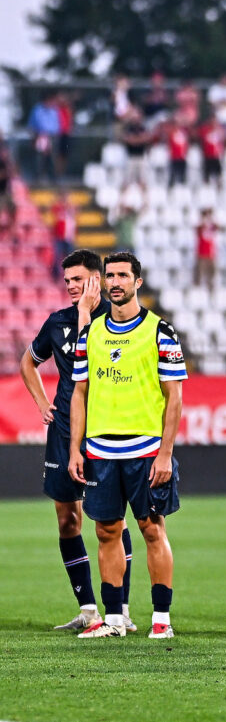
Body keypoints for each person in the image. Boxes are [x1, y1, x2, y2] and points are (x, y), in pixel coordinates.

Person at [66, 252, 185, 639]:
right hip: (100, 451)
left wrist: (165, 452)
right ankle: (115, 620)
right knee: (106, 532)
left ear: (138, 281)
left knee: (152, 530)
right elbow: (79, 393)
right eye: (110, 276)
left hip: (146, 450)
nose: (115, 282)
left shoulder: (160, 331)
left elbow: (174, 396)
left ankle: (161, 619)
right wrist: (75, 449)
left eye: (122, 275)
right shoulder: (90, 333)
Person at [18, 250, 132, 632]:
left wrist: (85, 314)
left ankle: (120, 610)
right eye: (66, 280)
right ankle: (88, 610)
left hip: (106, 430)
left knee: (111, 521)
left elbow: (94, 361)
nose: (69, 286)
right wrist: (42, 402)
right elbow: (27, 362)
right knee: (68, 520)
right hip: (64, 430)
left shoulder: (118, 321)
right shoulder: (57, 322)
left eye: (77, 279)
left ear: (97, 280)